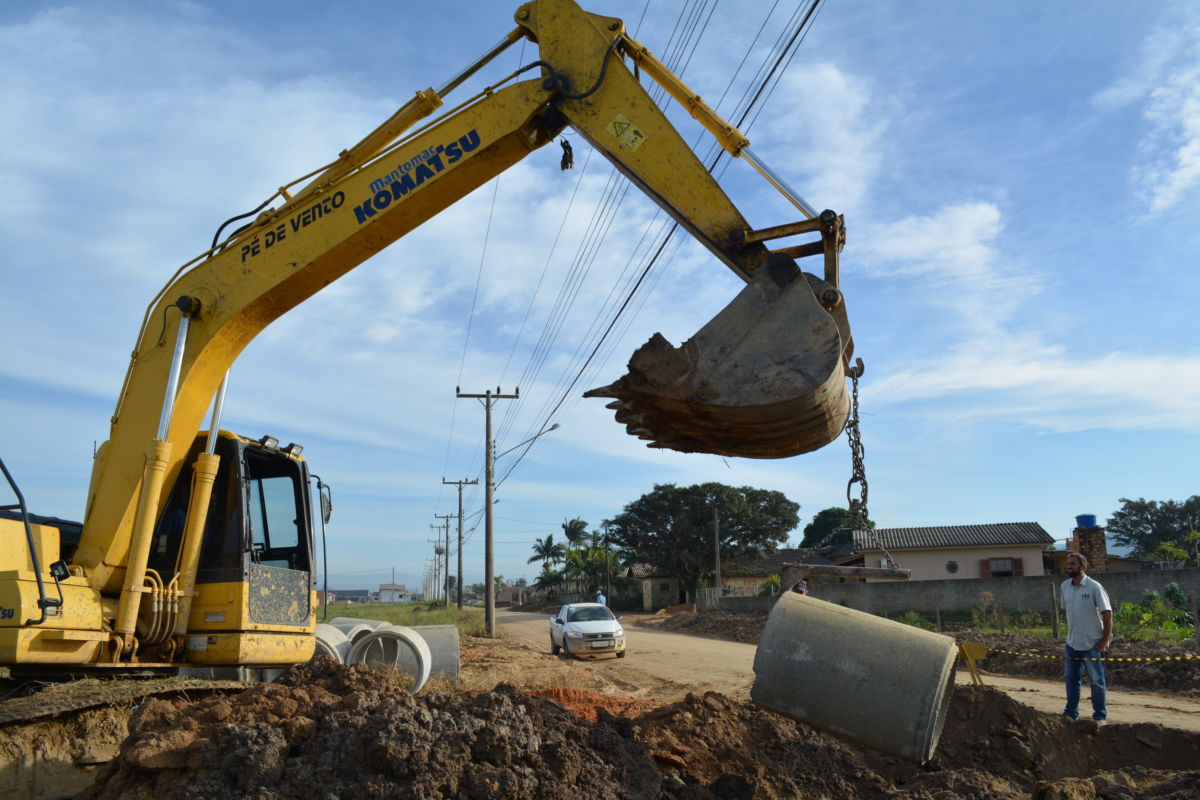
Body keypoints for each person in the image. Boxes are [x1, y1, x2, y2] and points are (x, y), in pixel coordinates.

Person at [1060, 552, 1112, 724]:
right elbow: (1067, 611)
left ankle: (1100, 717)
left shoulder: (1094, 587)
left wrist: (1104, 640)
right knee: (1071, 678)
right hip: (1072, 643)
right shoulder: (1065, 587)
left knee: (1096, 681)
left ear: (1083, 566)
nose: (1069, 567)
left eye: (1073, 564)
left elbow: (1107, 614)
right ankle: (1070, 713)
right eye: (1068, 564)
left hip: (1092, 643)